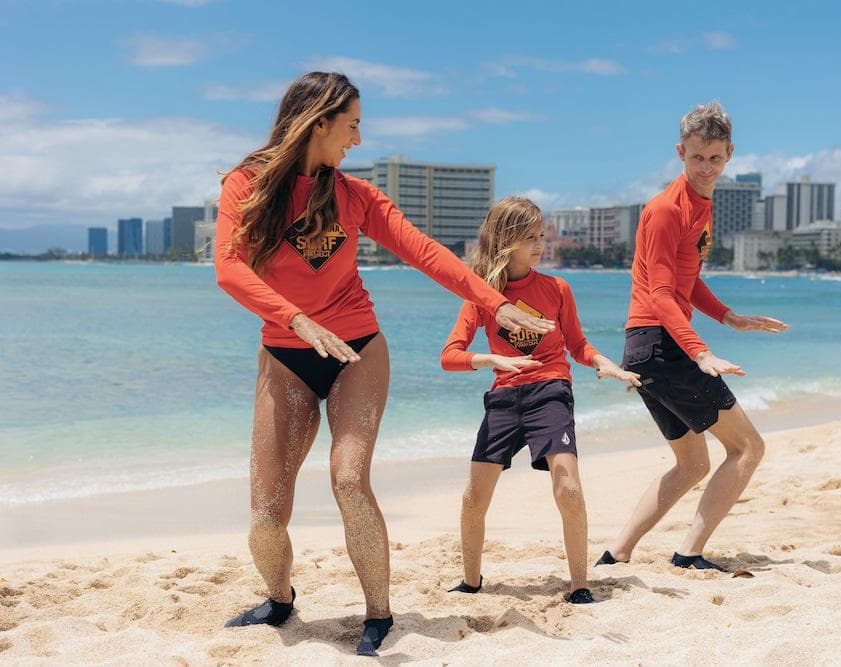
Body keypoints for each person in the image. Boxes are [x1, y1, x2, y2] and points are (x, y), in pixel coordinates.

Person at [214, 72, 553, 657]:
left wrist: (496, 304)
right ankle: (279, 599)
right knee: (266, 510)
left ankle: (378, 613)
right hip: (286, 354)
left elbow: (426, 254)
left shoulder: (354, 197)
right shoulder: (245, 186)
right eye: (351, 126)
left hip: (356, 353)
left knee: (348, 478)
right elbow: (228, 268)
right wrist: (296, 319)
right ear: (318, 121)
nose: (358, 140)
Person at [595, 102, 787, 573]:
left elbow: (687, 279)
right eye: (697, 157)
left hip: (649, 347)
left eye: (715, 159)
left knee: (692, 464)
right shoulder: (665, 210)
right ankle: (690, 553)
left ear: (729, 155)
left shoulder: (702, 206)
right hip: (661, 346)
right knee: (748, 448)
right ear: (681, 152)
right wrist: (699, 351)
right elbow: (661, 294)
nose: (705, 167)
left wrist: (728, 317)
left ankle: (615, 554)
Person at [440, 197, 640, 603]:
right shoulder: (481, 296)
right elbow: (449, 356)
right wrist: (491, 358)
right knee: (473, 497)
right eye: (529, 237)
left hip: (550, 390)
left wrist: (605, 364)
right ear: (506, 239)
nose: (539, 245)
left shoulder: (556, 288)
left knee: (568, 485)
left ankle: (580, 586)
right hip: (503, 397)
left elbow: (577, 345)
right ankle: (472, 582)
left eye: (541, 236)